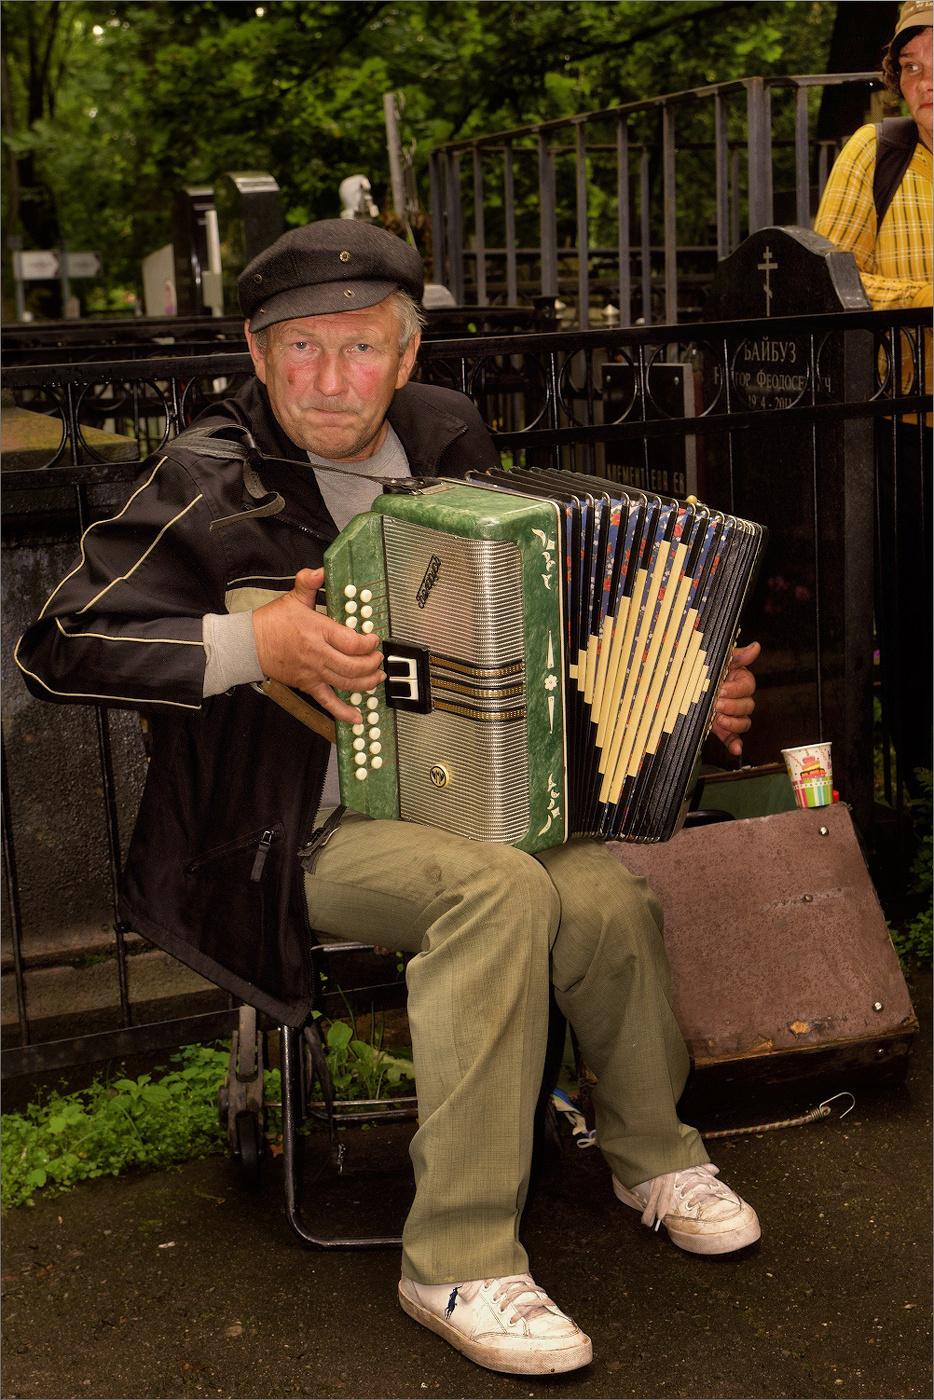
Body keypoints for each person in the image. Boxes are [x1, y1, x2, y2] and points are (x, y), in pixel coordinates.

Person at [16, 219, 762, 1377]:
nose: (329, 379)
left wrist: (677, 675)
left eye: (360, 347)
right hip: (286, 829)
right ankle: (455, 1257)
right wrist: (250, 642)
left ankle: (653, 1153)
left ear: (407, 354)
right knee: (499, 893)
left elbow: (530, 611)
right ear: (256, 353)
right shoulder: (208, 475)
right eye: (299, 348)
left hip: (465, 793)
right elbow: (57, 644)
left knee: (602, 894)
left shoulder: (447, 429)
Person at [814, 0, 932, 791]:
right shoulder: (876, 152)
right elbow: (832, 283)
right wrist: (924, 301)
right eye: (912, 68)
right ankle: (919, 779)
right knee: (915, 609)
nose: (924, 83)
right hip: (909, 430)